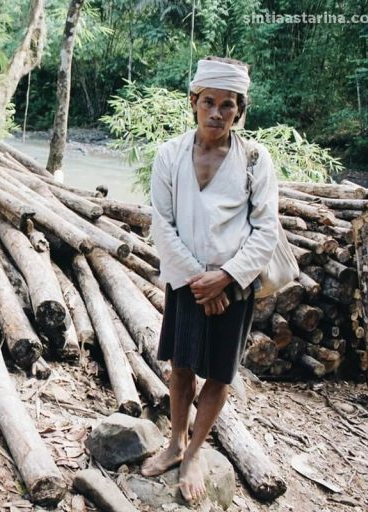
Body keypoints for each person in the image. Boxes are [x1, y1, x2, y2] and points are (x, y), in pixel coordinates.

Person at [142, 57, 280, 503]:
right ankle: (175, 442)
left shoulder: (255, 159)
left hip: (233, 286)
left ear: (240, 110)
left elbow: (266, 230)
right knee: (181, 366)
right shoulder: (170, 155)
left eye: (227, 105)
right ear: (193, 103)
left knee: (218, 375)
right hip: (186, 281)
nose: (216, 113)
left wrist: (224, 278)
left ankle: (195, 451)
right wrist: (199, 281)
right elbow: (162, 225)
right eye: (208, 103)